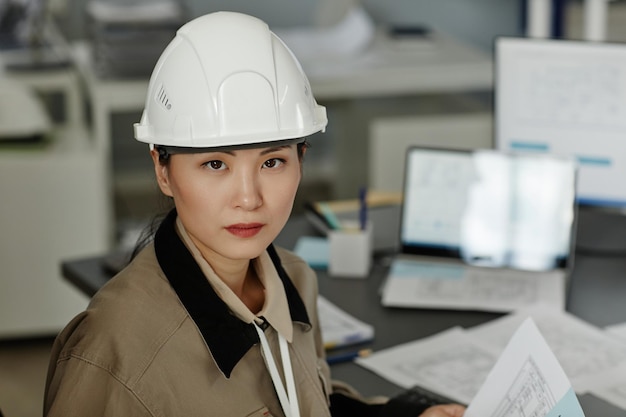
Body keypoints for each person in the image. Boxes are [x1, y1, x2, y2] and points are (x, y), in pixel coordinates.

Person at [43, 11, 466, 417]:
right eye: (215, 165)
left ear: (302, 160)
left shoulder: (295, 279)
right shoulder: (112, 355)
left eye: (272, 163)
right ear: (163, 171)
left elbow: (305, 399)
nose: (248, 198)